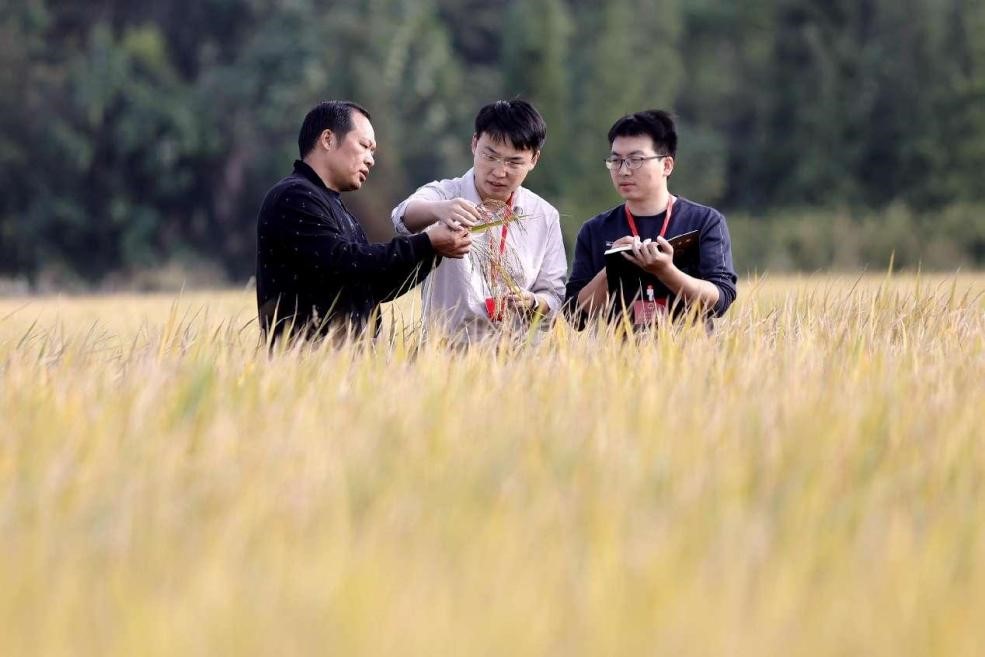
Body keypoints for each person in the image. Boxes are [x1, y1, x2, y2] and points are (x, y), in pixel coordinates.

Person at [256, 100, 471, 341]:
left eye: (373, 152)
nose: (371, 160)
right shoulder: (293, 196)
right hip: (307, 366)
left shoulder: (332, 205)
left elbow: (375, 283)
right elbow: (348, 263)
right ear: (327, 139)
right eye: (364, 146)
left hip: (345, 368)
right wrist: (427, 243)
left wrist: (433, 249)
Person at [391, 99, 567, 341]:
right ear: (474, 144)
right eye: (490, 156)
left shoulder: (543, 215)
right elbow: (402, 216)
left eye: (514, 162)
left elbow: (555, 295)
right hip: (444, 354)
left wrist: (534, 301)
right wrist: (439, 210)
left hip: (518, 360)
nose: (499, 172)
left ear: (534, 159)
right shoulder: (446, 194)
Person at [565, 109, 737, 329]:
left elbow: (721, 300)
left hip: (692, 357)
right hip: (616, 360)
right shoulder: (595, 230)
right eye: (615, 160)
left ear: (666, 165)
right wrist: (611, 270)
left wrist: (667, 271)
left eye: (635, 160)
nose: (623, 171)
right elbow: (574, 316)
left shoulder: (705, 222)